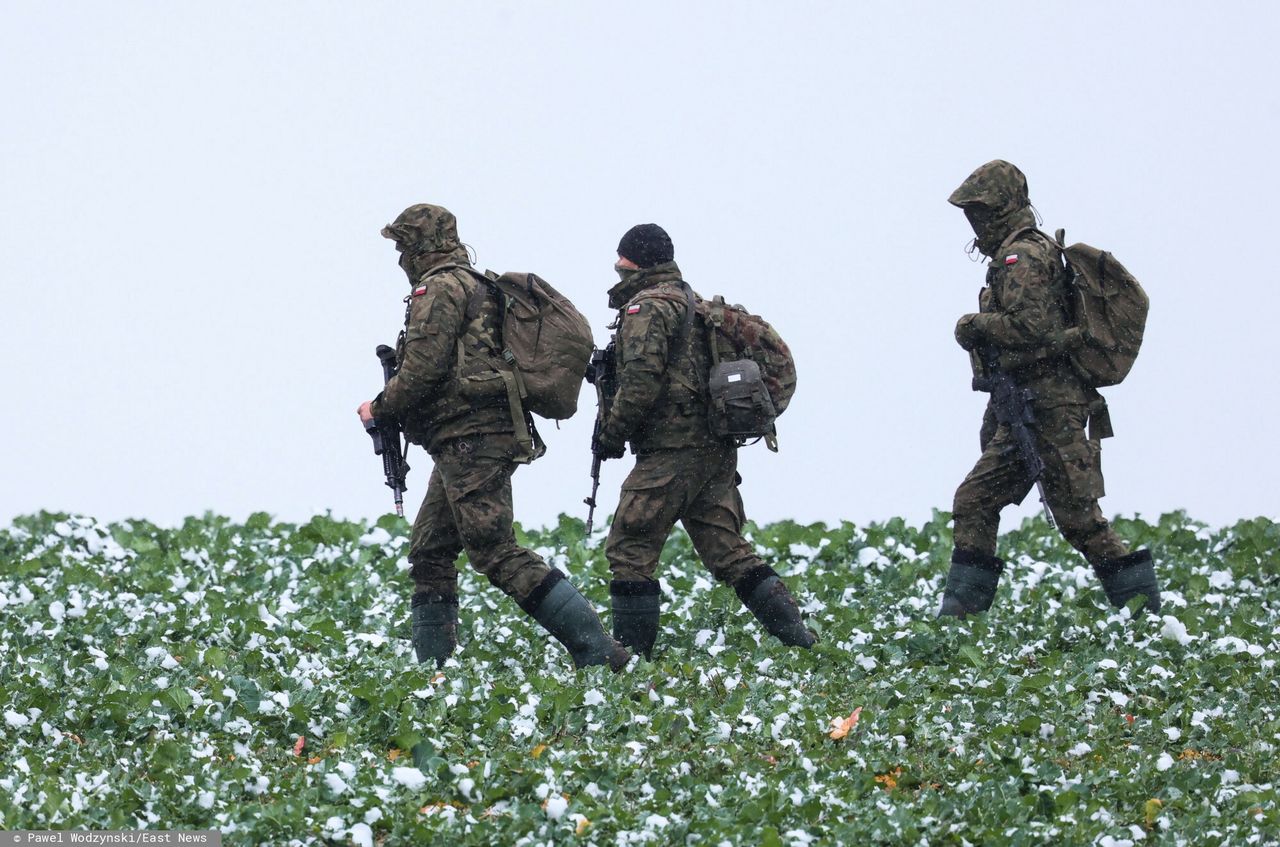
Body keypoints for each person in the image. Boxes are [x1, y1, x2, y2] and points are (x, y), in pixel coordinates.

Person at [357, 204, 628, 671]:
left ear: (419, 246)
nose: (400, 256)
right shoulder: (475, 283)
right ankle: (433, 674)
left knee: (494, 549)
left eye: (403, 246)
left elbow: (423, 368)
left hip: (471, 437)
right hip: (466, 439)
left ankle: (598, 651)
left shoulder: (440, 288)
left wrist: (378, 408)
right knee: (430, 551)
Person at [940, 161, 1161, 618]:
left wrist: (972, 326)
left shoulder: (1022, 257)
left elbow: (1030, 327)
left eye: (980, 212)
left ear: (1001, 208)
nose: (975, 224)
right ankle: (959, 622)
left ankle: (1147, 618)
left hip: (1049, 407)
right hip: (1026, 406)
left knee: (1080, 521)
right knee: (975, 500)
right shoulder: (1024, 252)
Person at [594, 223, 816, 657]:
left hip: (672, 450)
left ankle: (630, 660)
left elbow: (640, 384)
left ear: (630, 262)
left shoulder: (648, 308)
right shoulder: (691, 303)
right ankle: (802, 643)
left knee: (630, 546)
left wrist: (611, 434)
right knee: (727, 549)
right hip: (713, 448)